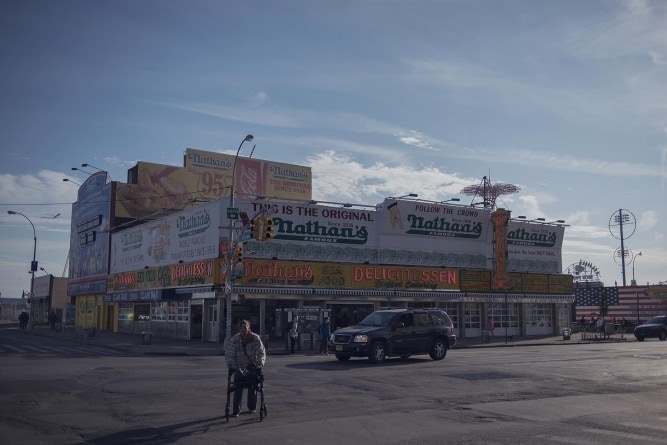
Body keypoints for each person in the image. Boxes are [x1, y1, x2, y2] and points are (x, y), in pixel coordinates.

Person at [224, 319, 266, 418]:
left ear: (249, 328)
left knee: (253, 387)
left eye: (245, 328)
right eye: (241, 328)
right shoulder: (235, 339)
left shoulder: (255, 338)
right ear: (239, 329)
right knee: (238, 388)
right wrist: (231, 365)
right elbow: (229, 354)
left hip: (251, 367)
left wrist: (260, 364)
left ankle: (252, 407)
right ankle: (236, 411)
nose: (243, 330)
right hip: (239, 367)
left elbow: (261, 353)